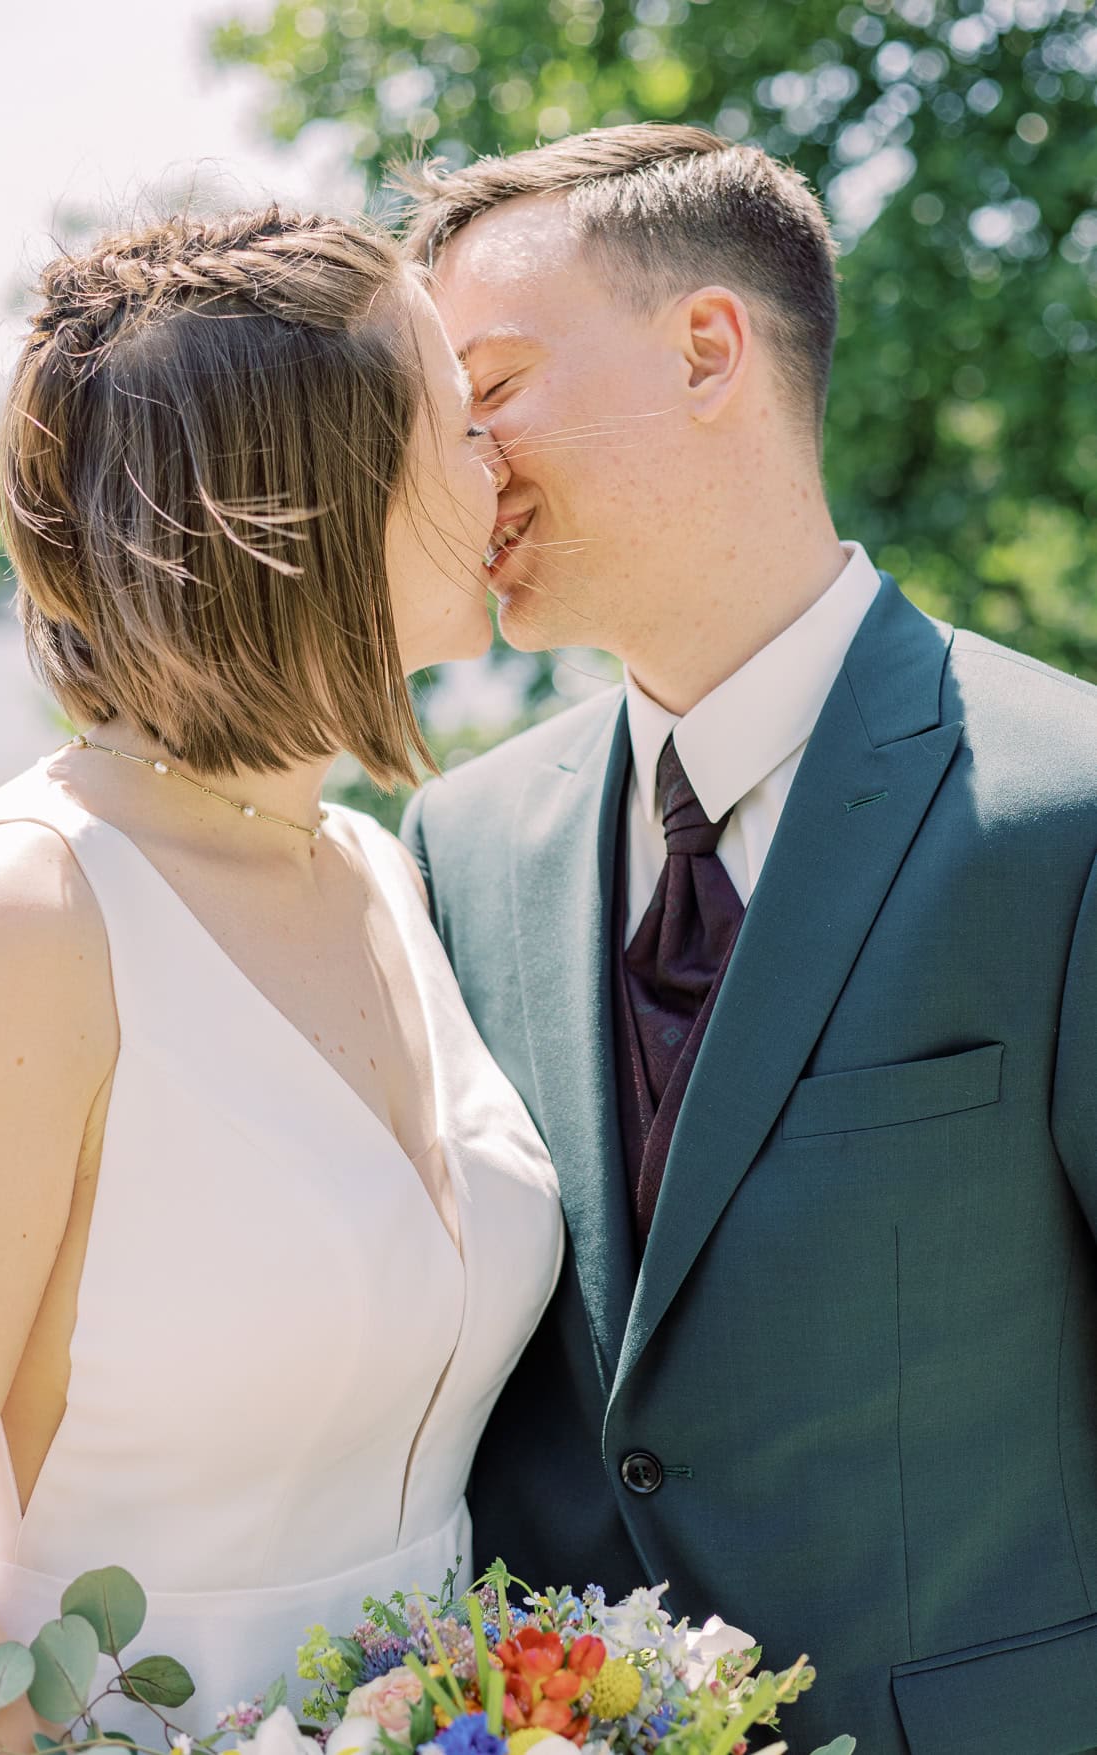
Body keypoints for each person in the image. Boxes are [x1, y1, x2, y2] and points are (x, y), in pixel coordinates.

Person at [398, 124, 1097, 1754]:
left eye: (487, 390)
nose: (452, 467)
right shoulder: (459, 843)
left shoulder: (1066, 817)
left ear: (708, 348)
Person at [0, 206, 562, 1752]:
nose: (500, 470)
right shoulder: (20, 918)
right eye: (458, 425)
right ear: (315, 495)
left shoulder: (382, 871)